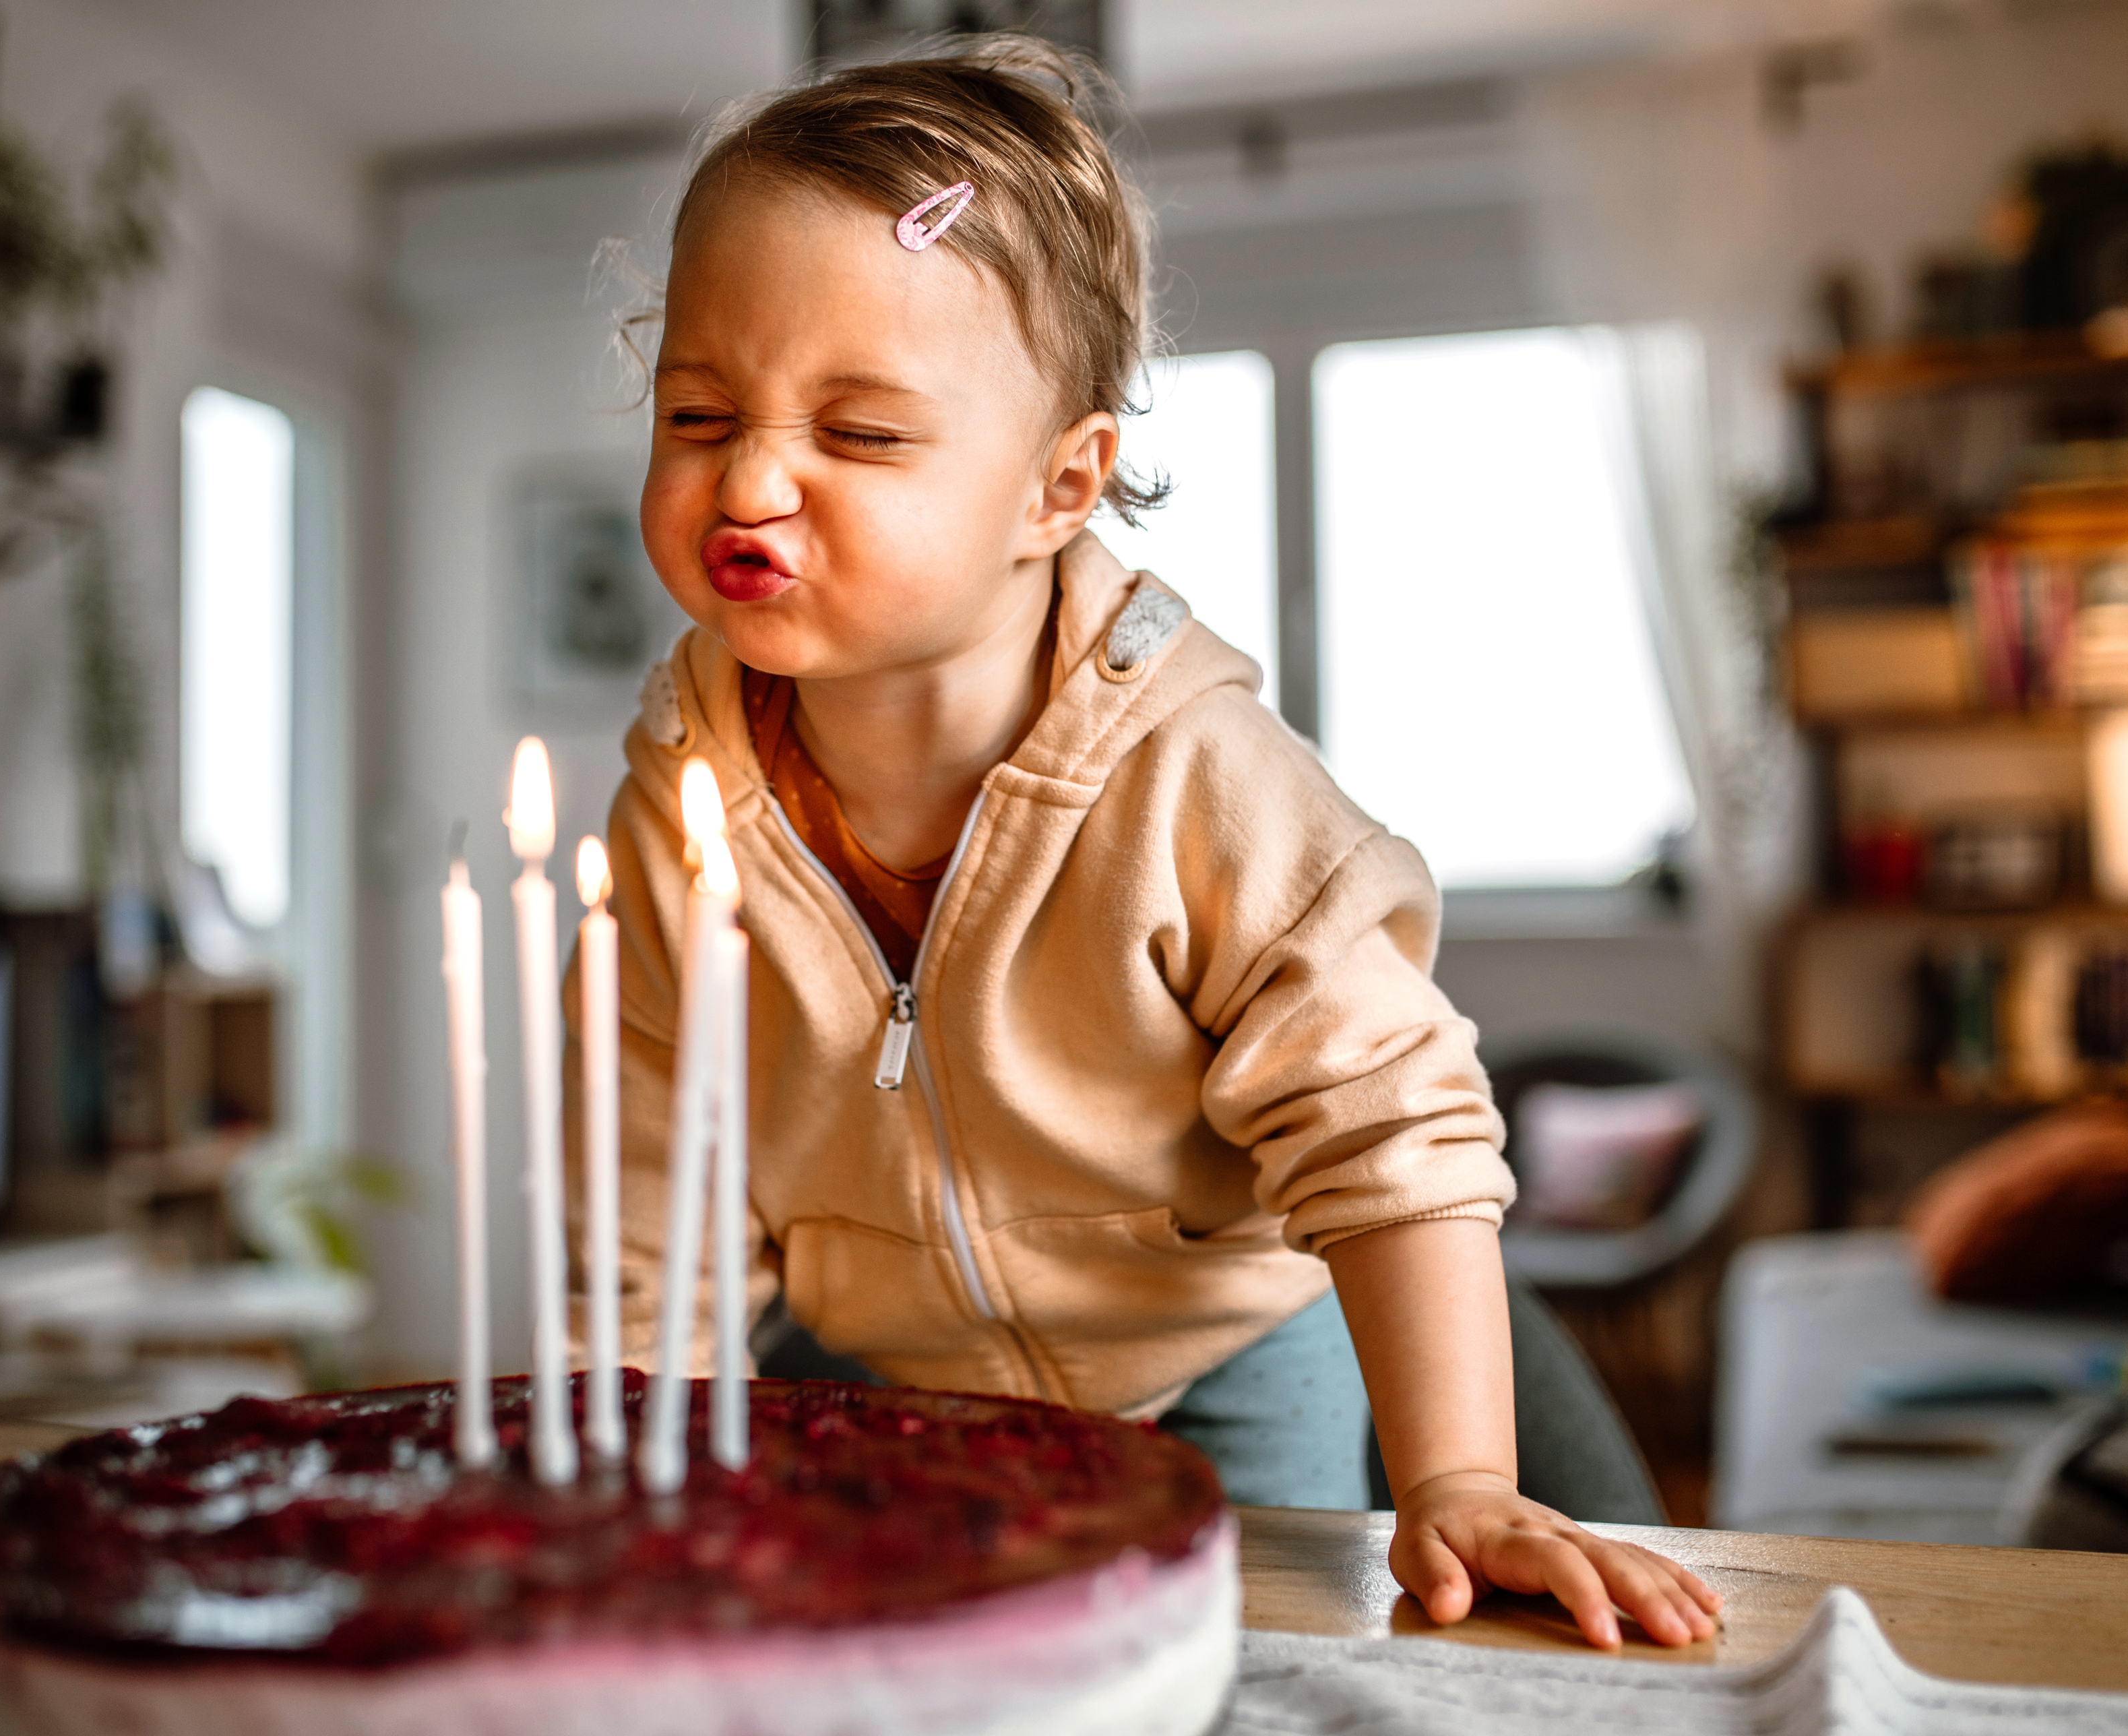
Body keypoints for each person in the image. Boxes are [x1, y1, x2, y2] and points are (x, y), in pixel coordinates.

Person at [568, 35, 1720, 1651]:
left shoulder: (1197, 776)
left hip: (1227, 1374)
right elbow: (646, 1188)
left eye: (863, 433)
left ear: (1061, 485)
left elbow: (1391, 1124)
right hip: (887, 1387)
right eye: (700, 410)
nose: (750, 476)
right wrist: (649, 1462)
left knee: (1244, 1677)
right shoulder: (677, 811)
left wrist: (1460, 1474)